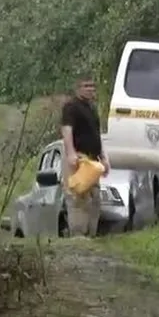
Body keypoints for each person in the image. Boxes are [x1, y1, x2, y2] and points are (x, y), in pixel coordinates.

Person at [60, 74, 109, 237]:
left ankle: (91, 235)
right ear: (78, 88)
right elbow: (67, 130)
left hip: (93, 159)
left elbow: (96, 135)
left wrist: (104, 158)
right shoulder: (71, 107)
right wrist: (71, 153)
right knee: (78, 198)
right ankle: (78, 235)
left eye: (92, 86)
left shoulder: (92, 109)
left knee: (94, 198)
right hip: (79, 157)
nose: (90, 89)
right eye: (86, 86)